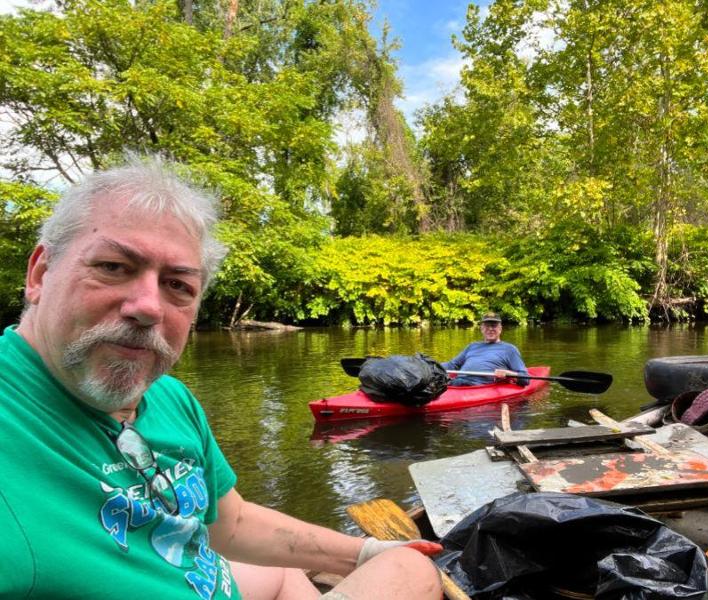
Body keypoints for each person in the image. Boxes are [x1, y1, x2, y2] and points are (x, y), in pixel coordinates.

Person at [0, 159, 443, 600]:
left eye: (177, 285)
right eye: (114, 266)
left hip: (215, 583)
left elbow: (230, 523)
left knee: (341, 569)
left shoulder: (169, 398)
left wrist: (364, 553)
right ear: (40, 273)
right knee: (412, 574)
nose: (148, 307)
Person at [441, 312, 528, 386]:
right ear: (481, 329)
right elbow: (452, 365)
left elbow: (525, 379)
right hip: (456, 383)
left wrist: (509, 374)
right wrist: (432, 365)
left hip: (477, 386)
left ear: (500, 329)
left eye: (494, 326)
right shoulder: (472, 346)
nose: (490, 329)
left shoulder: (509, 349)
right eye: (487, 326)